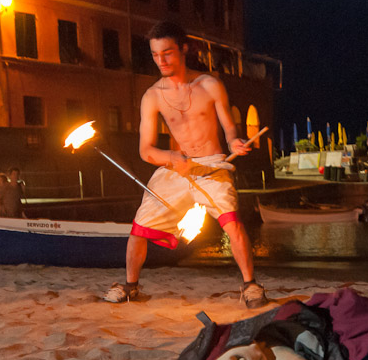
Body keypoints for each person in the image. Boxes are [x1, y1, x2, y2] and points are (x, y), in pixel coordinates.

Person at [104, 21, 267, 308]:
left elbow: (229, 129)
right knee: (139, 229)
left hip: (213, 165)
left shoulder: (210, 84)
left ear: (184, 49)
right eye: (155, 55)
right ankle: (131, 286)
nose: (161, 61)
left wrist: (234, 143)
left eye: (167, 53)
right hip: (176, 167)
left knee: (232, 223)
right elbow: (145, 150)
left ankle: (250, 285)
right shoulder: (152, 96)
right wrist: (171, 159)